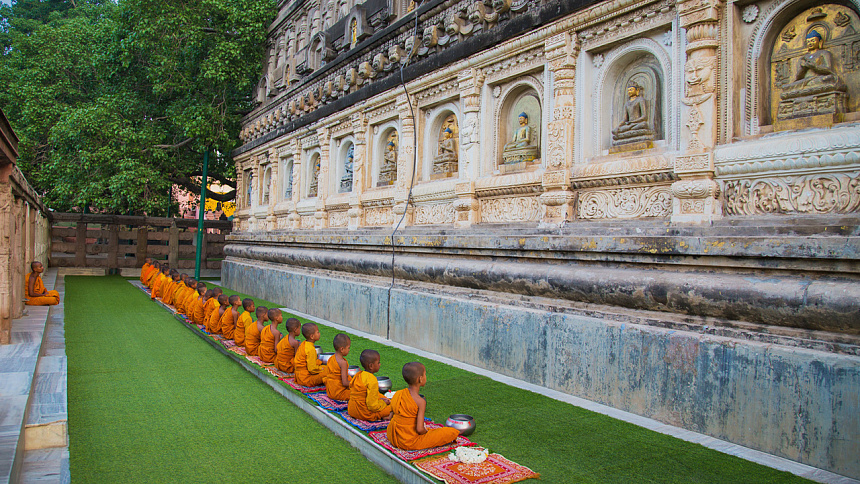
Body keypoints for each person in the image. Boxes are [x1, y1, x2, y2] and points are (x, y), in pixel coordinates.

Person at [386, 362, 460, 450]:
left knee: (433, 431)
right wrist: (427, 432)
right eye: (425, 374)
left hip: (393, 437)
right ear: (420, 379)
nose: (425, 377)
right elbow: (420, 430)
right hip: (409, 442)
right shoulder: (420, 401)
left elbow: (390, 417)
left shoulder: (398, 394)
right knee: (451, 432)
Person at [347, 349, 391, 422]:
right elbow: (372, 406)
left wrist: (381, 400)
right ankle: (385, 415)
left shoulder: (359, 374)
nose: (379, 364)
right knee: (393, 408)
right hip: (365, 414)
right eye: (378, 362)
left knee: (381, 397)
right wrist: (383, 403)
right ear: (371, 366)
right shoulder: (372, 380)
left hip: (352, 410)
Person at [324, 333, 352, 401]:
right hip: (339, 393)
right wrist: (356, 384)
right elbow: (345, 383)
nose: (349, 350)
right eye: (348, 348)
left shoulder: (331, 358)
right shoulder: (343, 363)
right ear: (342, 349)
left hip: (330, 391)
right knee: (360, 393)